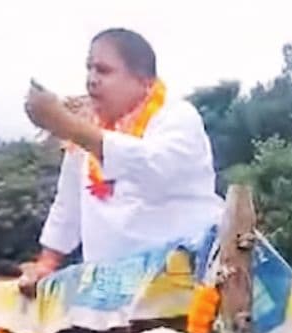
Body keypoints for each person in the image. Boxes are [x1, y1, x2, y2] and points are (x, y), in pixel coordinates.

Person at [17, 27, 222, 295]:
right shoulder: (85, 133)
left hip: (189, 286)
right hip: (111, 295)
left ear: (144, 81)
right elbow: (67, 207)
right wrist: (46, 264)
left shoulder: (177, 117)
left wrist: (72, 128)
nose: (91, 80)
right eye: (88, 69)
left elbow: (155, 167)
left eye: (103, 70)